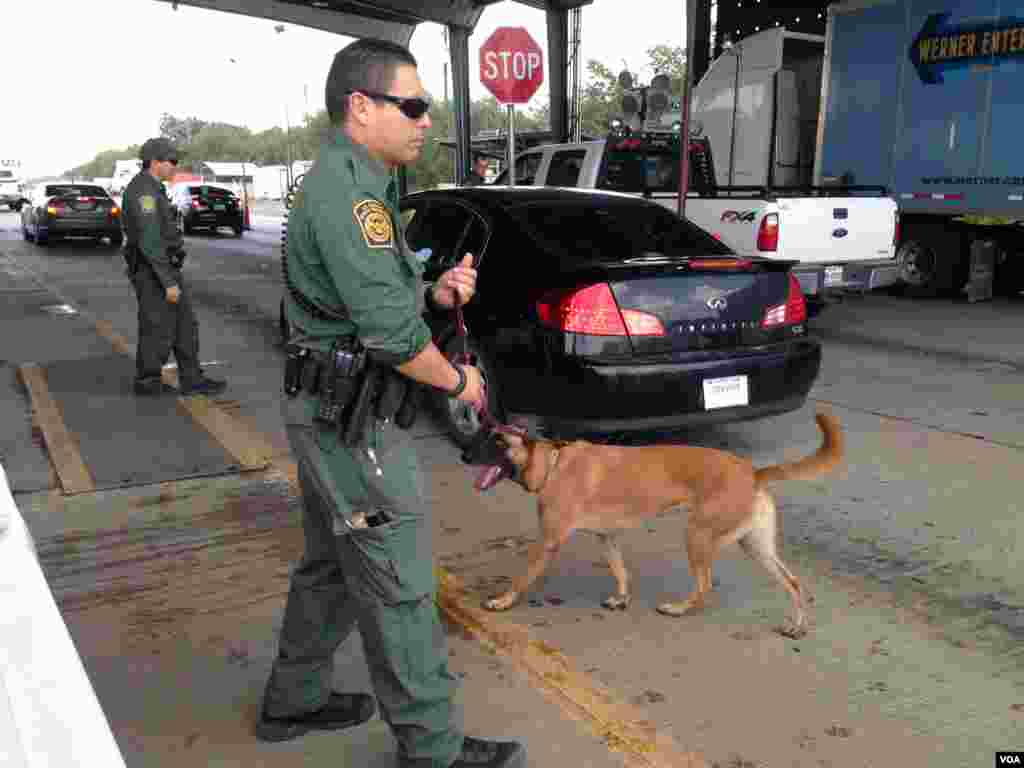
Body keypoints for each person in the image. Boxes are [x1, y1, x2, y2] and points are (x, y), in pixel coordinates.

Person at [256, 38, 526, 768]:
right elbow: (393, 339)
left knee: (332, 565)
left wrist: (434, 293)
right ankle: (432, 750)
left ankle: (294, 697)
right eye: (411, 105)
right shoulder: (350, 194)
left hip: (330, 415)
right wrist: (461, 383)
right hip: (355, 426)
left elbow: (368, 302)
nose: (424, 120)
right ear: (361, 106)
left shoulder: (360, 184)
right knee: (400, 584)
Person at [121, 138, 227, 397]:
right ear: (155, 162)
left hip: (163, 269)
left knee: (185, 327)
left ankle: (192, 379)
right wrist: (168, 281)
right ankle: (148, 381)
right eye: (172, 161)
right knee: (156, 326)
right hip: (153, 271)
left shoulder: (154, 188)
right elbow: (149, 240)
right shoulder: (144, 191)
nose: (175, 167)